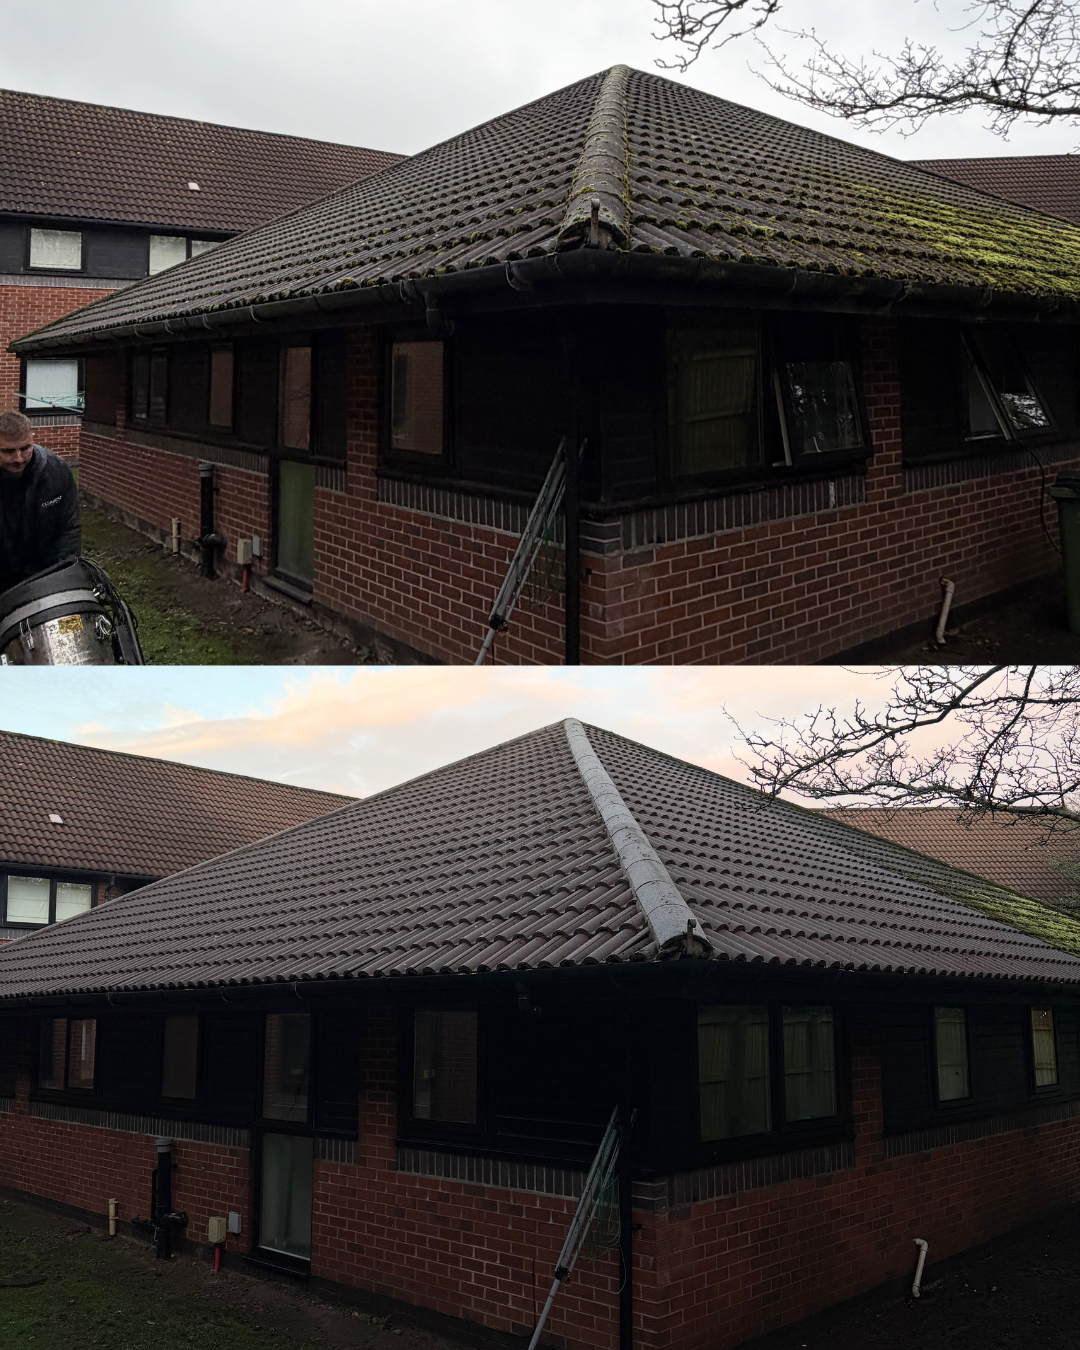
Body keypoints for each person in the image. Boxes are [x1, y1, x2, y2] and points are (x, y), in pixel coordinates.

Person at [0, 410, 81, 595]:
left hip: (43, 575)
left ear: (33, 439)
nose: (19, 458)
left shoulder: (56, 472)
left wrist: (64, 577)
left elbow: (68, 530)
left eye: (25, 448)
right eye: (9, 451)